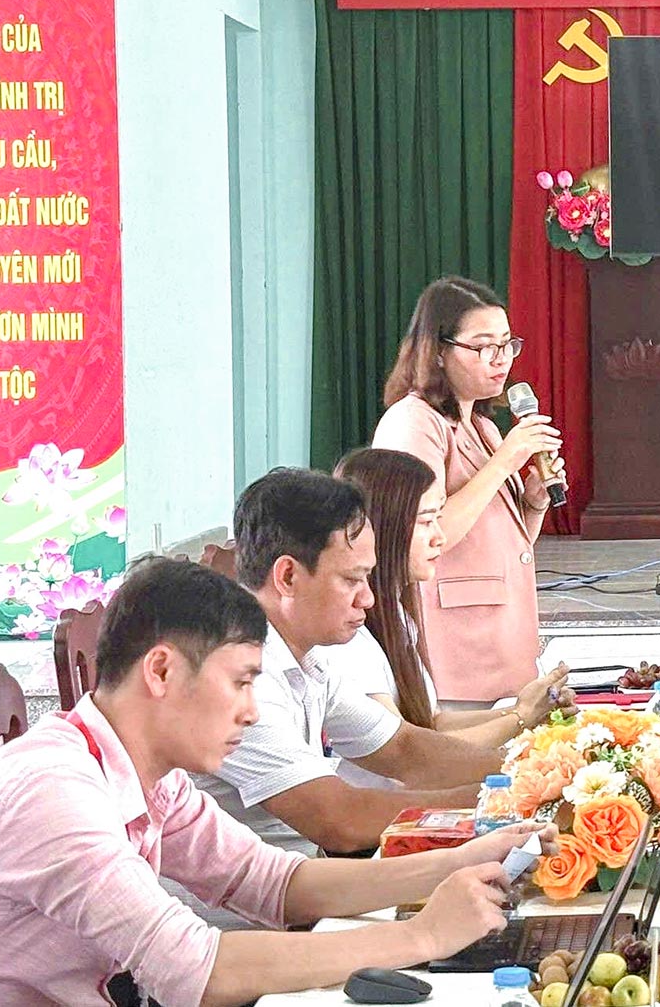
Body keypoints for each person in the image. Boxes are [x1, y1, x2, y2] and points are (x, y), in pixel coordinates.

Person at [0, 558, 548, 1005]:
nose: (252, 710)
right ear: (161, 671)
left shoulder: (145, 772)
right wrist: (420, 934)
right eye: (240, 682)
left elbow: (274, 884)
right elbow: (196, 973)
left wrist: (457, 860)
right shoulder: (54, 790)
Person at [197, 468, 504, 856]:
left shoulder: (311, 656)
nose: (368, 599)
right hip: (251, 913)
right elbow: (340, 820)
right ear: (288, 576)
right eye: (351, 580)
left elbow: (402, 748)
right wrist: (500, 798)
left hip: (303, 885)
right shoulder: (239, 677)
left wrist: (523, 773)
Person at [373, 275, 563, 704]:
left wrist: (533, 504)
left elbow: (503, 545)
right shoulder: (414, 422)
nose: (500, 360)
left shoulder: (482, 426)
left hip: (503, 642)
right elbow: (421, 536)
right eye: (482, 347)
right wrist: (504, 463)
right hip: (454, 649)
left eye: (507, 344)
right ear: (439, 352)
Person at [324, 447, 572, 767]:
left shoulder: (397, 615)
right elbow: (406, 755)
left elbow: (431, 723)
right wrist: (521, 718)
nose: (440, 537)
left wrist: (528, 709)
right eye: (427, 521)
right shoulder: (348, 639)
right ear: (385, 528)